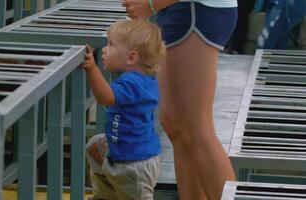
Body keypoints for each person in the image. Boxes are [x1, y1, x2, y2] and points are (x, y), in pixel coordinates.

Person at [123, 0, 238, 199]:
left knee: (197, 127)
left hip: (196, 9)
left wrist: (151, 4)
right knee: (175, 123)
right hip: (178, 9)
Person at [82, 19, 165, 200]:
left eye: (111, 45)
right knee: (94, 145)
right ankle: (106, 195)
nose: (104, 49)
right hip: (126, 153)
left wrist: (92, 68)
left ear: (131, 57)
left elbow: (106, 97)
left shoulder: (133, 82)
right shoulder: (141, 80)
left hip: (134, 165)